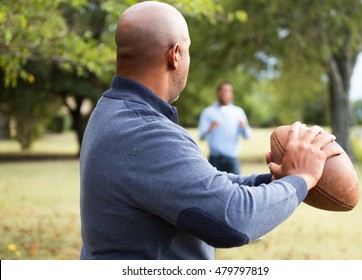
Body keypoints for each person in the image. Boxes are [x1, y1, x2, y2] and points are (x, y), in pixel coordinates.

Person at [79, 1, 342, 260]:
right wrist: (301, 178)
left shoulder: (111, 109)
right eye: (189, 50)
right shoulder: (144, 132)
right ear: (176, 54)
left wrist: (275, 180)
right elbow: (233, 220)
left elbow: (206, 187)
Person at [198, 81, 252, 174]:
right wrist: (210, 128)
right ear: (218, 93)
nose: (225, 93)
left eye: (228, 91)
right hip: (214, 159)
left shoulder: (238, 112)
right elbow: (201, 136)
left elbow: (247, 136)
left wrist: (244, 128)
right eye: (223, 91)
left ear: (232, 94)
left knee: (236, 186)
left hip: (232, 158)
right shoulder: (208, 112)